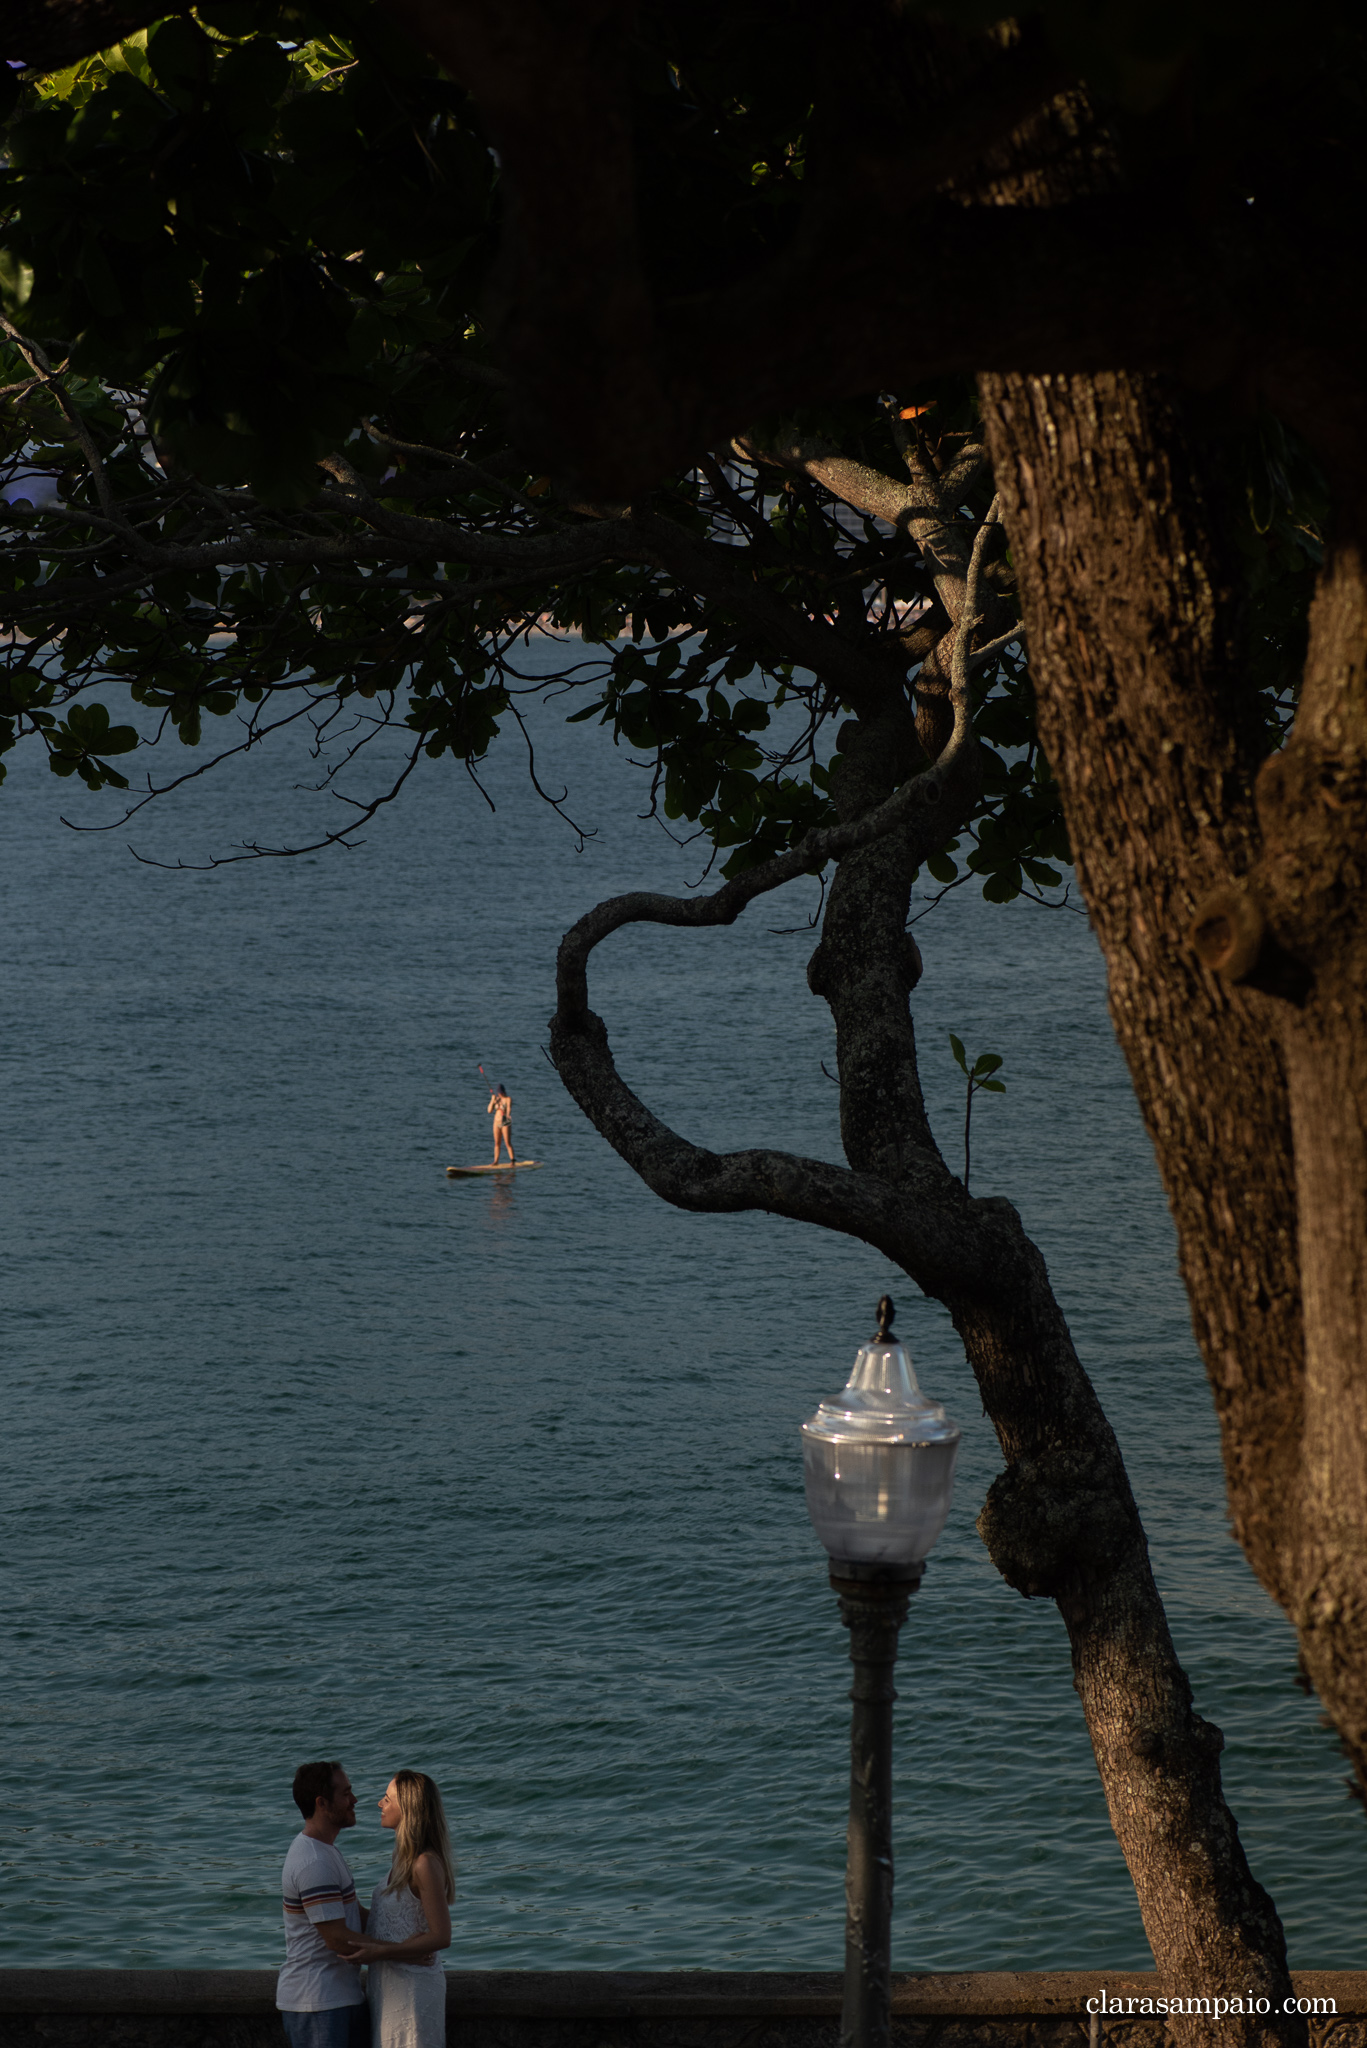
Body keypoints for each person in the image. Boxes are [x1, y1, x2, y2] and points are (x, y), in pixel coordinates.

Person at [340, 1772, 454, 2048]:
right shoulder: (401, 1859)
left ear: (408, 1809)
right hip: (389, 1985)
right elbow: (385, 1921)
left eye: (387, 1799)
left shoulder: (424, 1864)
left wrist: (382, 1952)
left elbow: (442, 1936)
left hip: (413, 1988)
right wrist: (340, 1899)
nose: (380, 1804)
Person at [278, 1761, 370, 2048]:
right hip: (317, 2002)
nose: (354, 1800)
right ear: (322, 1803)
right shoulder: (313, 1861)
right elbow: (337, 1939)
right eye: (346, 1793)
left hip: (338, 1998)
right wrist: (403, 1956)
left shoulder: (325, 1851)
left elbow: (355, 1915)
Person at [486, 1084, 514, 1164]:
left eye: (501, 1092)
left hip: (505, 1122)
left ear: (504, 1092)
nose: (500, 1094)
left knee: (507, 1142)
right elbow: (489, 1111)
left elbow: (509, 1108)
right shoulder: (496, 1099)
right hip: (496, 1123)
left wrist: (508, 1115)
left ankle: (512, 1160)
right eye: (499, 1092)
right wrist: (493, 1101)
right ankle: (496, 1161)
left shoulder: (508, 1099)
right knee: (497, 1143)